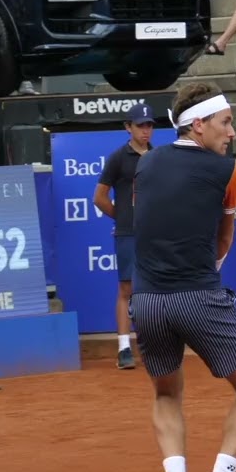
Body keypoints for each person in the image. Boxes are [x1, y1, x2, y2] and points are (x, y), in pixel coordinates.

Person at [130, 82, 236, 472]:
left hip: (147, 302)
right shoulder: (228, 170)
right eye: (225, 122)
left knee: (166, 394)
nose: (231, 132)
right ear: (199, 124)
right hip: (198, 297)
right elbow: (223, 241)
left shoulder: (145, 163)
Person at [93, 104, 155, 371]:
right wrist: (122, 218)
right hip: (128, 233)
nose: (145, 130)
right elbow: (99, 198)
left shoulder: (159, 156)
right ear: (128, 127)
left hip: (156, 235)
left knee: (153, 291)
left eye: (149, 125)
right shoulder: (118, 157)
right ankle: (124, 348)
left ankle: (153, 346)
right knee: (127, 290)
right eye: (140, 125)